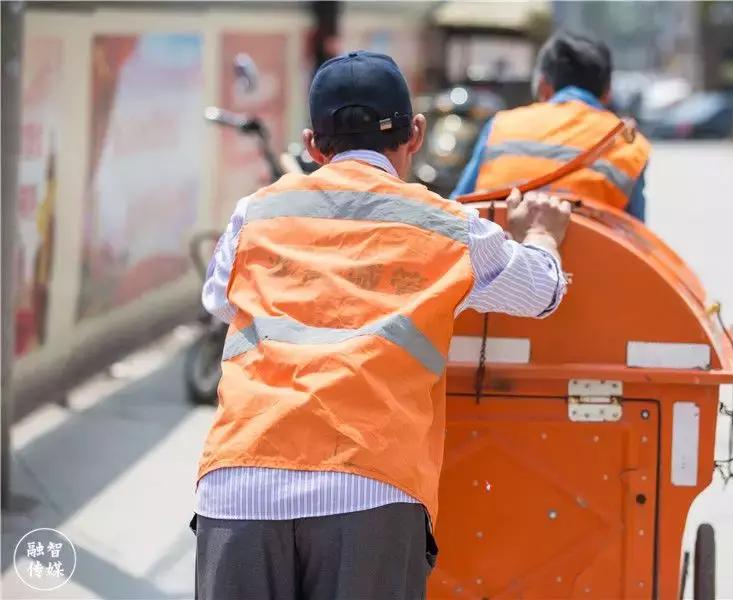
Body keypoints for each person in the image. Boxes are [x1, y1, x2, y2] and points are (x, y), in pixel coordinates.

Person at [193, 50, 571, 600]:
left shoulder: (257, 213)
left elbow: (218, 300)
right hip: (370, 488)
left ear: (311, 144)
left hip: (240, 480)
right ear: (415, 133)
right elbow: (543, 291)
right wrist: (541, 232)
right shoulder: (448, 226)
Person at [453, 32, 652, 222]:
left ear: (542, 86)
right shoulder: (627, 142)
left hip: (497, 250)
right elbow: (635, 235)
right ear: (607, 92)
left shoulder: (500, 126)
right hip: (588, 254)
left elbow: (457, 206)